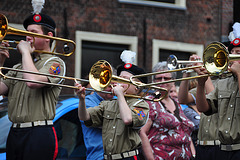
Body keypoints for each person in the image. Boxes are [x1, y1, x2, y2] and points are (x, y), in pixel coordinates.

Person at [0, 13, 66, 160]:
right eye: (26, 33)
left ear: (48, 36)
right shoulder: (19, 66)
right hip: (14, 133)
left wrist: (25, 53)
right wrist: (1, 62)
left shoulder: (56, 63)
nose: (27, 37)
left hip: (39, 133)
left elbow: (32, 81)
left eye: (33, 33)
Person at [76, 61, 149, 160]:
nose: (119, 82)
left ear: (137, 86)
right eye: (119, 78)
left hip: (127, 157)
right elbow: (84, 117)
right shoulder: (108, 104)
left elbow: (128, 119)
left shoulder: (141, 105)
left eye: (124, 80)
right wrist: (81, 99)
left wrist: (120, 95)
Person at [140, 61, 195, 160]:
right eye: (159, 78)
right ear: (153, 81)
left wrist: (193, 154)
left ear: (173, 81)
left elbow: (185, 132)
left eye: (166, 78)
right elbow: (142, 133)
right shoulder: (149, 102)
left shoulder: (176, 103)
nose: (162, 80)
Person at [195, 38, 240, 160]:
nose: (233, 57)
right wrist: (200, 84)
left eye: (238, 53)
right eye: (233, 52)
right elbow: (203, 108)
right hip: (222, 150)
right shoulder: (223, 83)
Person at [178, 54, 222, 160]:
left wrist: (203, 73)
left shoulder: (225, 83)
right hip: (202, 144)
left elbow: (214, 100)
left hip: (219, 145)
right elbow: (183, 99)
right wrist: (187, 72)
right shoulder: (208, 81)